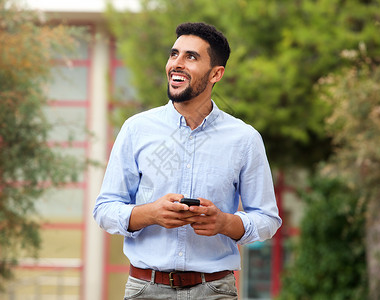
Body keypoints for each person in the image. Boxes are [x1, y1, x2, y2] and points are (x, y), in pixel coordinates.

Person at [93, 22, 282, 299]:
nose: (176, 64)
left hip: (215, 289)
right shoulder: (136, 129)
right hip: (145, 289)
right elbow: (105, 209)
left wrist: (225, 222)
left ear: (216, 73)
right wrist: (150, 214)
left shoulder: (245, 138)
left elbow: (267, 218)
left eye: (190, 57)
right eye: (174, 54)